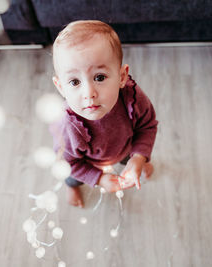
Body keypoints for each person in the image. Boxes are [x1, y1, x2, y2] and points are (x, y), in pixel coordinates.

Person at [50, 20, 158, 208]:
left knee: (134, 157)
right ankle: (72, 187)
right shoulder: (68, 128)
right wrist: (99, 179)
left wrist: (138, 158)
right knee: (73, 177)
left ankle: (138, 162)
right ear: (61, 87)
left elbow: (147, 126)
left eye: (99, 77)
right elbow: (69, 163)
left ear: (122, 77)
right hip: (85, 163)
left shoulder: (132, 98)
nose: (88, 93)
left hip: (124, 146)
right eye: (75, 82)